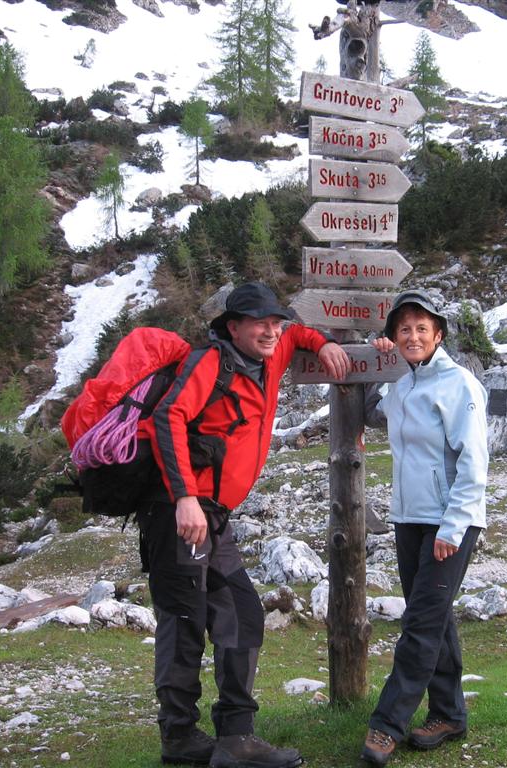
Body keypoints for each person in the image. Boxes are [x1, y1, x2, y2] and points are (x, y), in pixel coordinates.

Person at [139, 282, 350, 768]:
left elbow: (299, 334)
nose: (271, 331)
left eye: (275, 322)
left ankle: (236, 737)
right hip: (181, 514)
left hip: (215, 517)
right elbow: (169, 417)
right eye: (260, 323)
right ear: (233, 327)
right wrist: (184, 498)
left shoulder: (272, 353)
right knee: (185, 621)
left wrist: (325, 344)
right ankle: (179, 736)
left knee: (241, 613)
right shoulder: (210, 362)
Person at [360, 289, 489, 766]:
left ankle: (387, 724)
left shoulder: (459, 385)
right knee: (434, 616)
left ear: (438, 335)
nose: (412, 336)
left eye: (421, 328)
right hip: (409, 518)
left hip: (449, 521)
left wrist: (452, 528)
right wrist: (378, 366)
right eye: (403, 329)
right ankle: (449, 714)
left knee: (419, 623)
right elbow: (374, 413)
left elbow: (474, 463)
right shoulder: (402, 384)